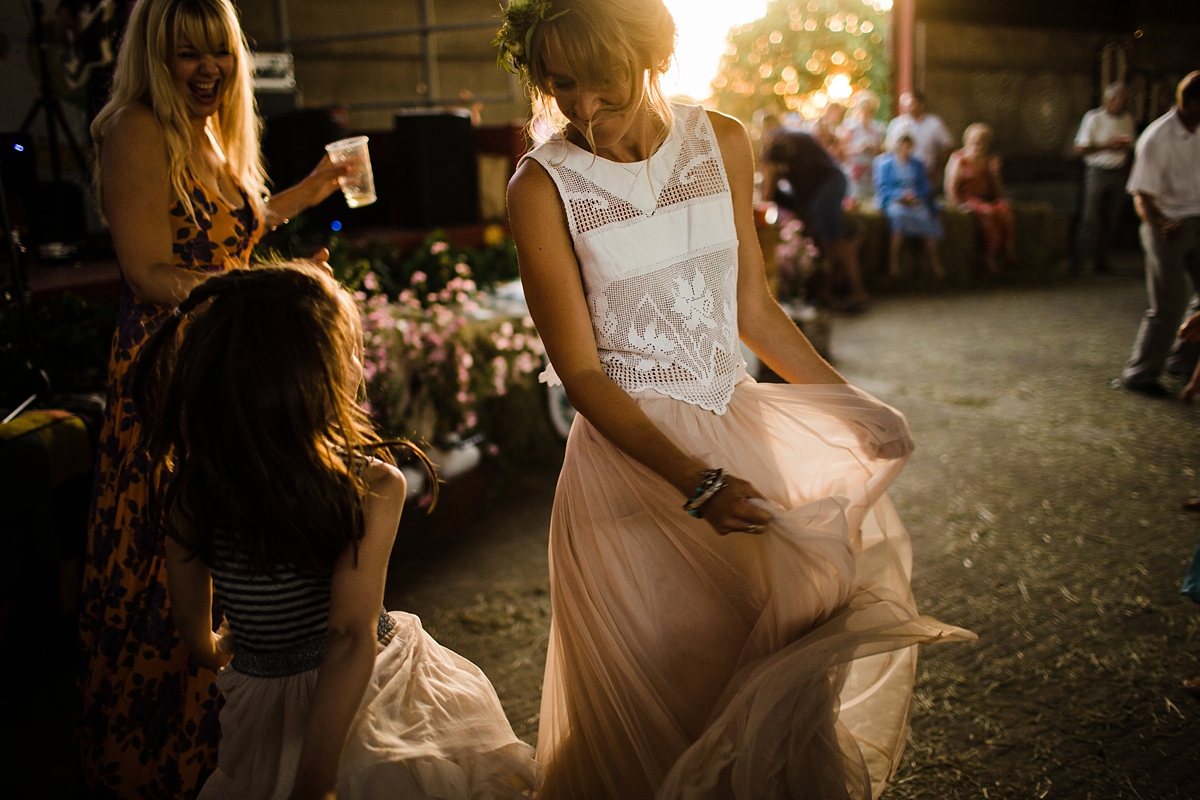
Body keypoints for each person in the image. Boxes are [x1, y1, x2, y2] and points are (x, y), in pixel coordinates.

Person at [498, 1, 975, 798]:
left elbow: (753, 312)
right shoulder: (541, 185)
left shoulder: (720, 140)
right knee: (663, 682)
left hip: (736, 424)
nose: (583, 107)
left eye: (604, 81)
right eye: (560, 85)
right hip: (631, 460)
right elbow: (582, 376)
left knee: (759, 660)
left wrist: (850, 403)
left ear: (651, 57)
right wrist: (697, 482)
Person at [131, 262, 542, 800]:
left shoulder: (191, 493)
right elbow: (348, 636)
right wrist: (317, 778)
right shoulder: (370, 485)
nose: (360, 363)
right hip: (372, 698)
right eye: (348, 349)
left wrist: (226, 646)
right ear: (308, 373)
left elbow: (194, 625)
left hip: (265, 696)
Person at [76, 0, 353, 795]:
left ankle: (233, 753)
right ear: (153, 59)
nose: (207, 71)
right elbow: (147, 273)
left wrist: (313, 189)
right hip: (172, 376)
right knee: (171, 558)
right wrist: (262, 299)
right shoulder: (135, 127)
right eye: (186, 56)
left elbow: (237, 230)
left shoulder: (206, 133)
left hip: (222, 364)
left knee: (231, 548)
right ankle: (161, 765)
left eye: (219, 55)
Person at [1117, 71, 1200, 397]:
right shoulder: (1157, 138)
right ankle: (1141, 373)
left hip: (1198, 218)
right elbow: (1141, 196)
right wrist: (1163, 223)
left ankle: (1182, 363)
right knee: (1169, 302)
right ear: (1193, 104)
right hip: (1165, 224)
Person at [762, 118, 870, 310]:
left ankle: (855, 292)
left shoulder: (773, 141)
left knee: (834, 241)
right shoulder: (792, 136)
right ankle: (830, 293)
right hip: (829, 186)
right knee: (826, 240)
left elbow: (768, 191)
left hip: (826, 187)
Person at [1072, 82, 1136, 274]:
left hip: (1118, 172)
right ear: (1110, 99)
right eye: (1120, 100)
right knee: (1089, 219)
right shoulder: (1093, 118)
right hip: (1097, 171)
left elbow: (1132, 146)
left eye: (1126, 100)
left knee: (1111, 219)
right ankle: (1079, 262)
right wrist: (1108, 146)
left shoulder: (1127, 119)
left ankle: (1102, 261)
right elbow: (1081, 148)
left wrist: (1125, 155)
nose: (1123, 104)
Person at [945, 122, 1015, 275]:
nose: (979, 146)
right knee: (988, 213)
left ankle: (1008, 252)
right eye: (976, 142)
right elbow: (950, 186)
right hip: (968, 198)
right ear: (968, 141)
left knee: (1005, 210)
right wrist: (957, 206)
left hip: (987, 196)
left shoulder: (989, 161)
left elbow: (998, 191)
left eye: (983, 143)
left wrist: (996, 174)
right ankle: (989, 257)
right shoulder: (959, 159)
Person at [874, 133, 944, 278]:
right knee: (898, 219)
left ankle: (935, 263)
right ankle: (893, 263)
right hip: (895, 201)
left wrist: (914, 196)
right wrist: (900, 196)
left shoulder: (917, 164)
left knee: (926, 219)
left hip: (914, 201)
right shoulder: (885, 165)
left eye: (908, 146)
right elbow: (883, 187)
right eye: (902, 146)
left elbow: (925, 185)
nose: (904, 149)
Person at [884, 89, 952, 188]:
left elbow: (947, 147)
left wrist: (939, 169)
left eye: (911, 103)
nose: (907, 106)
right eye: (904, 103)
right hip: (901, 175)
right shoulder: (896, 124)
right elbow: (888, 149)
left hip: (927, 173)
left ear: (921, 104)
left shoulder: (934, 123)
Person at [839, 90, 886, 202]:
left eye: (869, 107)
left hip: (872, 170)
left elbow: (882, 150)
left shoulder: (878, 128)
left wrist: (874, 149)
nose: (866, 110)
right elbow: (842, 150)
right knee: (855, 200)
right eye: (863, 107)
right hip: (855, 170)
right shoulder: (850, 126)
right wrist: (860, 148)